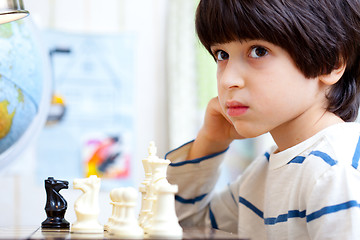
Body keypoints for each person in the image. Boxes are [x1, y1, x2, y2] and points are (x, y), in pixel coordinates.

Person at [165, 0, 360, 239]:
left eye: (258, 51)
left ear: (329, 64)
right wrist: (209, 142)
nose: (228, 80)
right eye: (222, 55)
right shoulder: (264, 172)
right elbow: (180, 227)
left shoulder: (335, 173)